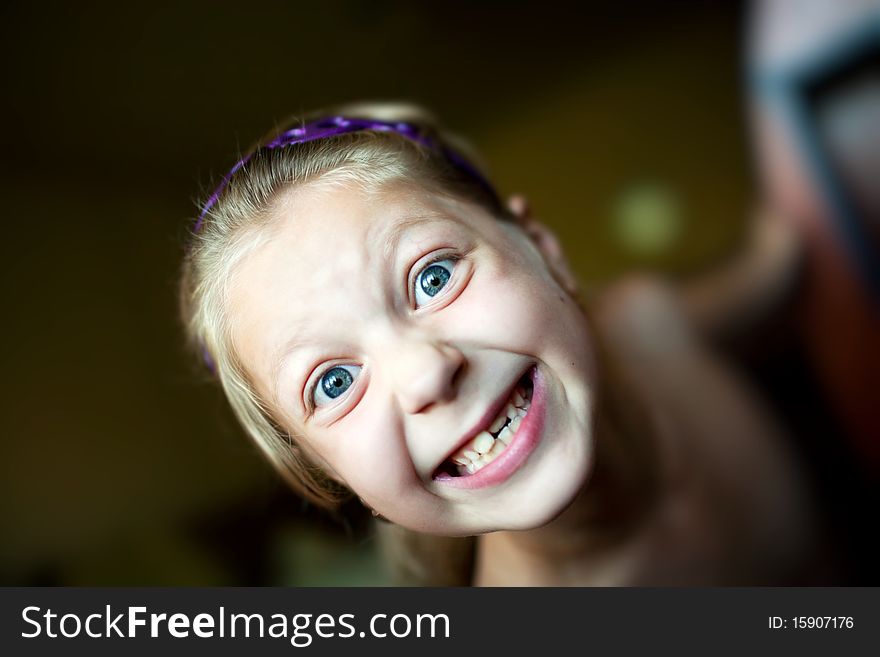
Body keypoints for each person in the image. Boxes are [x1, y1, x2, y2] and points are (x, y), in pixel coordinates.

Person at [179, 102, 830, 585]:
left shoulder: (648, 320)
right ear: (326, 470)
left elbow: (783, 254)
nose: (424, 374)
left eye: (433, 277)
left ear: (543, 250)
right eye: (334, 382)